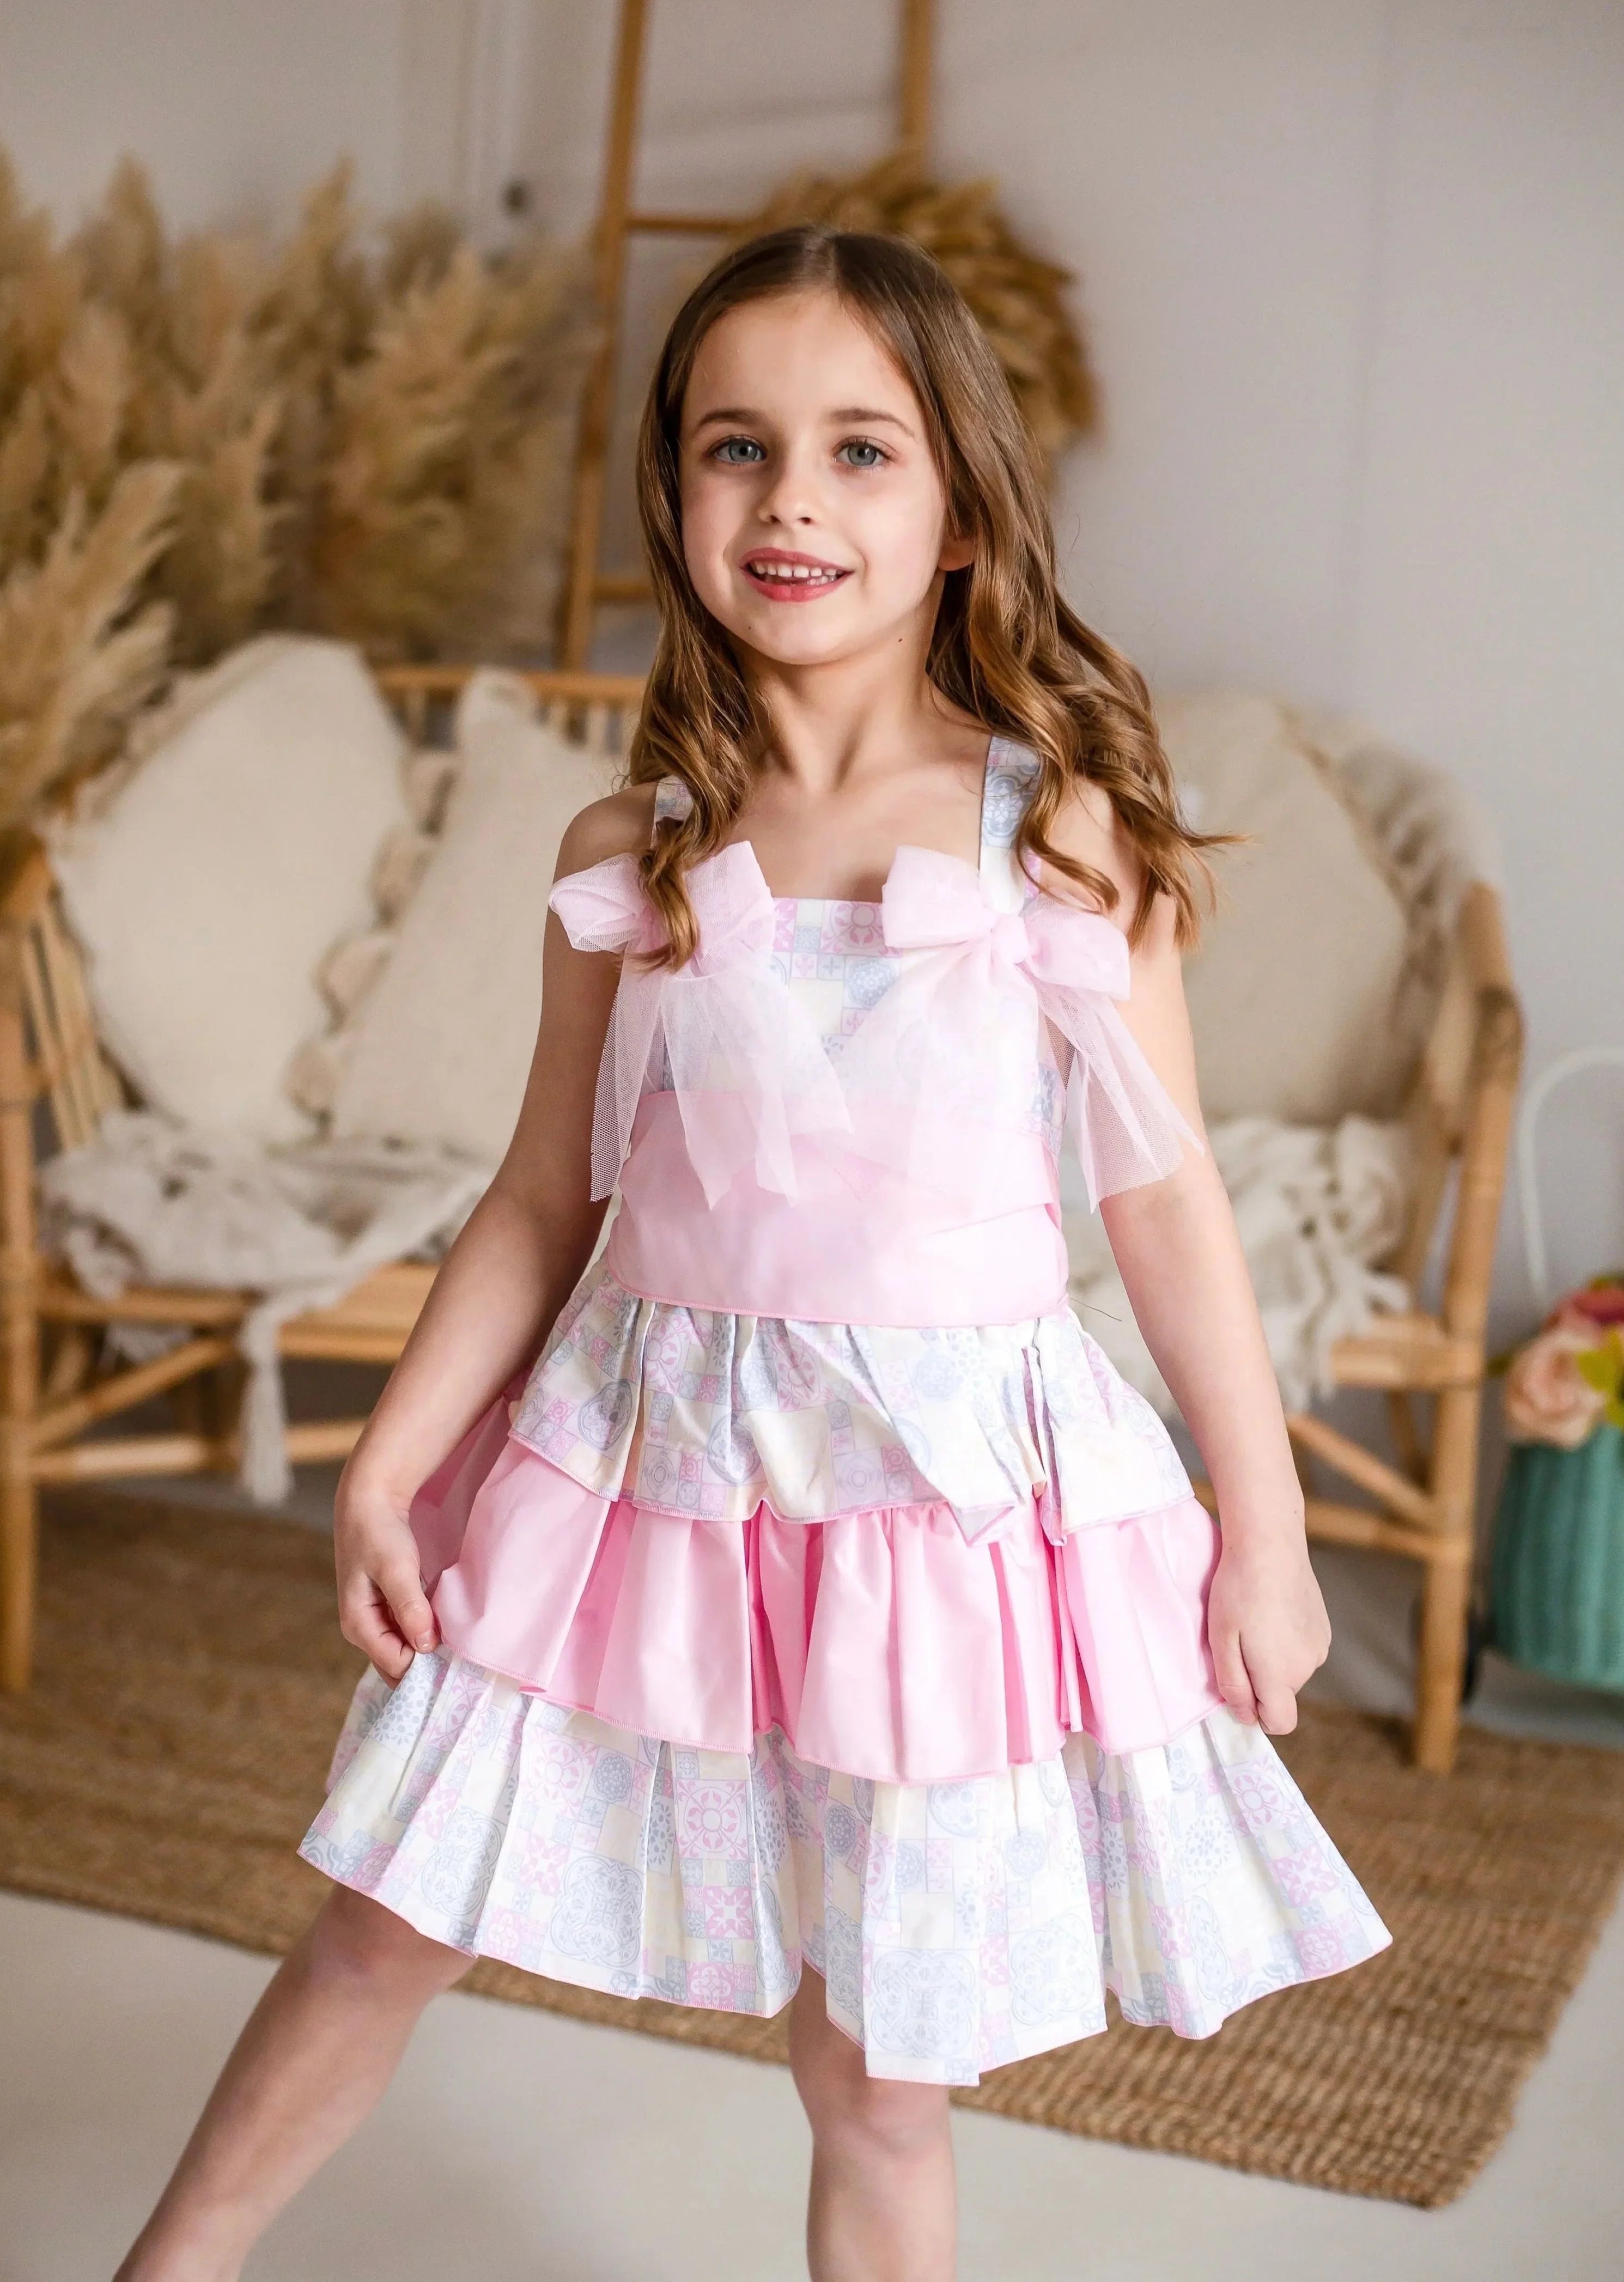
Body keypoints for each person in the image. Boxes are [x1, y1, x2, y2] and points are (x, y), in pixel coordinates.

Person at [116, 226, 1390, 2282]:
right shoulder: (628, 857)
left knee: (877, 2069)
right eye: (737, 447)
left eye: (860, 451)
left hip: (936, 1505)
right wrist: (385, 1456)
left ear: (963, 508)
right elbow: (545, 1198)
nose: (792, 498)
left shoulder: (1056, 834)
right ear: (677, 500)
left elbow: (1160, 1202)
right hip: (647, 1468)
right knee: (382, 1924)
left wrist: (1261, 1521)